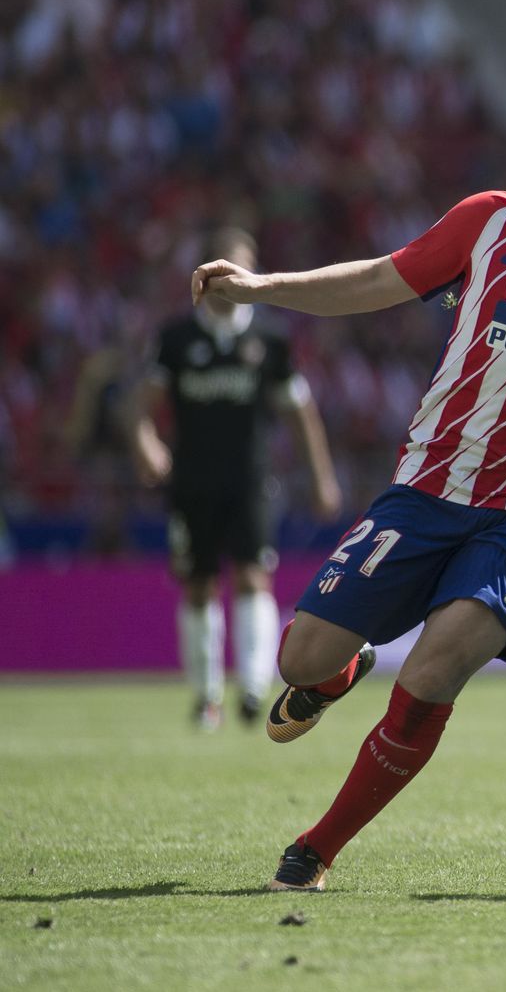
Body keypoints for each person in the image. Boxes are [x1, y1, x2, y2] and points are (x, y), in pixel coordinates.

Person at [190, 76, 506, 892]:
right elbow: (377, 279)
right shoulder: (494, 221)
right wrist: (260, 288)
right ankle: (336, 675)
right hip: (428, 489)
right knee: (302, 655)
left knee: (436, 667)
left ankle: (314, 850)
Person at [132, 227, 343, 731]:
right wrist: (146, 441)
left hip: (250, 480)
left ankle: (252, 687)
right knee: (199, 583)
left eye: (244, 269)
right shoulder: (176, 339)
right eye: (226, 269)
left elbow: (299, 412)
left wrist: (320, 476)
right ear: (205, 277)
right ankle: (206, 696)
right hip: (192, 481)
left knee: (252, 575)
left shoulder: (268, 341)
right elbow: (140, 406)